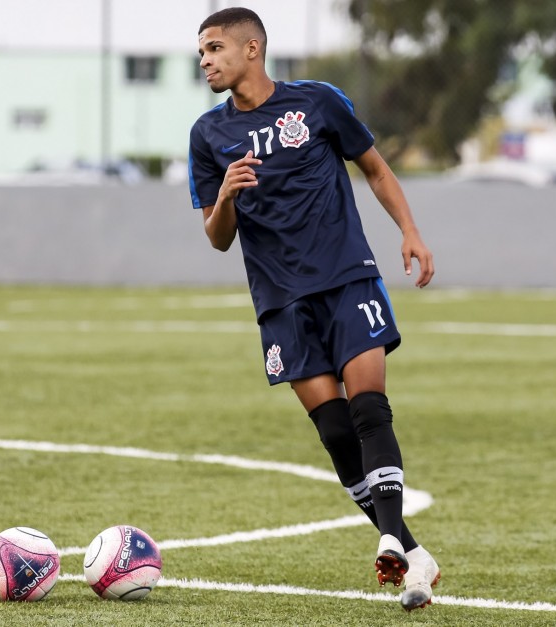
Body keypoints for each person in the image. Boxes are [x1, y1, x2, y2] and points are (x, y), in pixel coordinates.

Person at [188, 7, 439, 612]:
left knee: (368, 410)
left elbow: (375, 169)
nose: (206, 60)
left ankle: (386, 537)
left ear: (253, 50)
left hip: (346, 279)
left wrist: (410, 231)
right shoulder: (207, 135)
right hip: (279, 301)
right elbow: (217, 237)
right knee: (332, 431)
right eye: (200, 53)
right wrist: (224, 195)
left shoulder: (318, 102)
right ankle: (411, 549)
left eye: (215, 48)